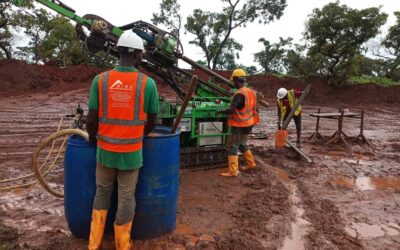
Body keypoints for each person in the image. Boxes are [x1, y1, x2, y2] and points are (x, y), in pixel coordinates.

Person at [86, 31, 159, 250]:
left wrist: (93, 139)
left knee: (102, 193)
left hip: (104, 152)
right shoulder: (148, 84)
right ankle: (122, 244)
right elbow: (153, 120)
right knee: (127, 198)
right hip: (131, 153)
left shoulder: (100, 80)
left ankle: (94, 243)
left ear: (118, 52)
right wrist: (139, 134)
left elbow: (91, 119)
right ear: (137, 55)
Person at [216, 68, 260, 177]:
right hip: (249, 124)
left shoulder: (239, 94)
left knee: (232, 145)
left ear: (236, 80)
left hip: (239, 125)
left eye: (233, 80)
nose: (232, 83)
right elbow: (256, 109)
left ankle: (233, 171)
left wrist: (220, 111)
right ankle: (251, 164)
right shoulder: (251, 92)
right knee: (242, 143)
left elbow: (231, 109)